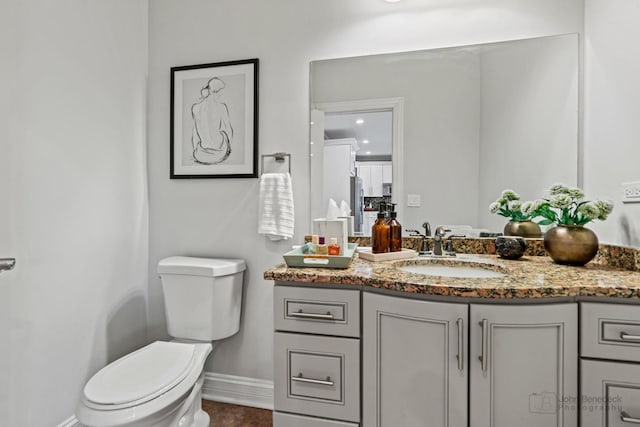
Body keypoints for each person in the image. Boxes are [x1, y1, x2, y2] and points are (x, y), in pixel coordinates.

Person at [191, 77, 234, 164]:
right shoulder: (222, 107)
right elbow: (228, 130)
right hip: (219, 152)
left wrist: (195, 149)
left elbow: (195, 133)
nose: (221, 95)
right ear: (215, 92)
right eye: (220, 92)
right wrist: (230, 148)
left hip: (201, 154)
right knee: (224, 133)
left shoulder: (195, 108)